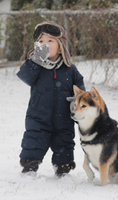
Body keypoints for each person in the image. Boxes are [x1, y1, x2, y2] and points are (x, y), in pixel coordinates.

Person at [17, 21, 85, 177]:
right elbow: (25, 77)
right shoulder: (35, 66)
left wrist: (76, 101)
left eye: (50, 41)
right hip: (38, 114)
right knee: (34, 139)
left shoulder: (70, 69)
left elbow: (80, 88)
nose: (45, 45)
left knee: (64, 140)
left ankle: (63, 168)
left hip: (64, 116)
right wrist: (36, 61)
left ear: (60, 44)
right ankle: (29, 168)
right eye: (41, 41)